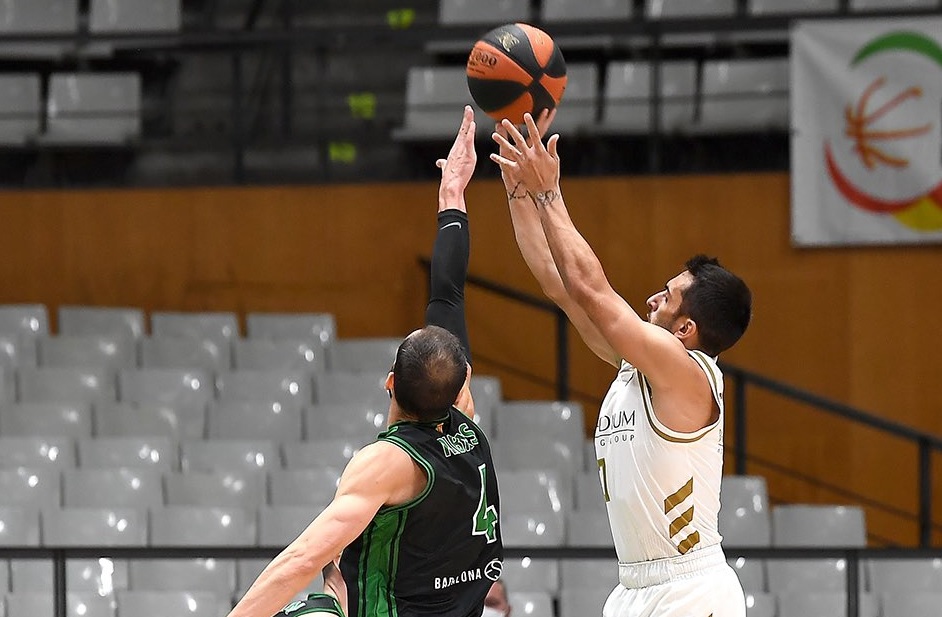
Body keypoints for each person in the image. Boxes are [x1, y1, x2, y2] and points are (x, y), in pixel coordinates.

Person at [227, 106, 502, 617]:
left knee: (311, 611)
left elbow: (301, 559)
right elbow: (448, 295)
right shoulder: (467, 425)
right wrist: (452, 197)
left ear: (389, 382)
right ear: (462, 381)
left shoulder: (386, 464)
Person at [490, 113, 752, 617]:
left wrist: (549, 193)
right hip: (633, 586)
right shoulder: (638, 368)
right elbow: (559, 283)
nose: (653, 298)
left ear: (686, 330)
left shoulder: (689, 375)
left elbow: (593, 289)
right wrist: (519, 192)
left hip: (691, 589)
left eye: (668, 296)